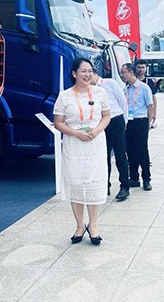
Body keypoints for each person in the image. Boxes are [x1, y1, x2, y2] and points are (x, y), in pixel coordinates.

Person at [53, 57, 111, 245]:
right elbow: (58, 122)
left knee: (94, 184)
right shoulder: (65, 96)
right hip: (74, 145)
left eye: (89, 71)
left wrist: (97, 130)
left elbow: (106, 116)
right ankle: (80, 226)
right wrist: (75, 133)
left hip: (95, 143)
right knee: (77, 185)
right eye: (83, 71)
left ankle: (93, 226)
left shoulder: (100, 93)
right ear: (74, 73)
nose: (87, 74)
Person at [91, 73, 130, 201]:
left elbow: (122, 102)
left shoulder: (110, 83)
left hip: (116, 120)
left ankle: (125, 186)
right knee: (103, 155)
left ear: (94, 73)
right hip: (102, 124)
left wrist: (124, 121)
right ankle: (105, 186)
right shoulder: (90, 89)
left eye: (89, 72)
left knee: (120, 155)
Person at [119, 63, 155, 190]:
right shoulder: (125, 89)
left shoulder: (144, 88)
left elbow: (150, 106)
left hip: (141, 121)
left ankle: (146, 179)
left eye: (123, 72)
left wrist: (149, 124)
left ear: (130, 72)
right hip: (128, 122)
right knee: (130, 150)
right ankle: (134, 178)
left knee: (142, 150)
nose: (122, 75)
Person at [135, 59, 158, 127]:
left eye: (143, 67)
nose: (141, 69)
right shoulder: (131, 81)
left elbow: (153, 97)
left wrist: (154, 112)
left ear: (146, 68)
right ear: (135, 68)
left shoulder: (150, 82)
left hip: (146, 111)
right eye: (139, 67)